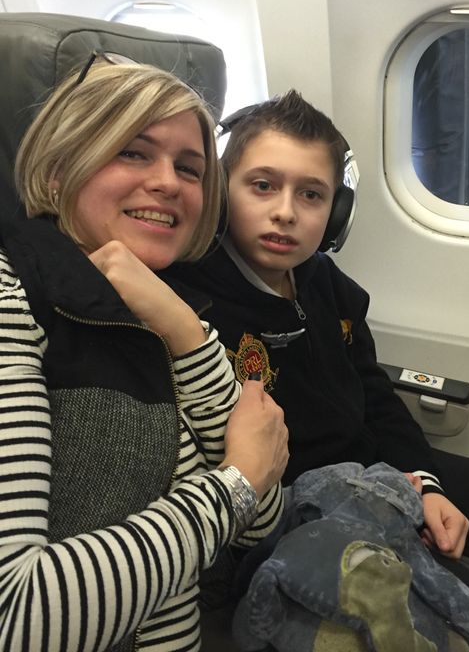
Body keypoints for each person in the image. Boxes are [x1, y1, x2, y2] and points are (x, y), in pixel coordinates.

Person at [185, 89, 469, 652]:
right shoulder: (196, 304)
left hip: (378, 468)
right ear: (221, 193)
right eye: (262, 185)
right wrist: (386, 504)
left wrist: (423, 484)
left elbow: (374, 393)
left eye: (311, 194)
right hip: (310, 506)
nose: (285, 211)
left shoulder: (325, 283)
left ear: (336, 213)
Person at [0, 55, 288, 652]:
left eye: (190, 167)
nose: (168, 182)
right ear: (58, 170)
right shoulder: (14, 299)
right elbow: (17, 618)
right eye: (133, 151)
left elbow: (265, 516)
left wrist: (183, 329)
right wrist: (232, 487)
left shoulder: (173, 310)